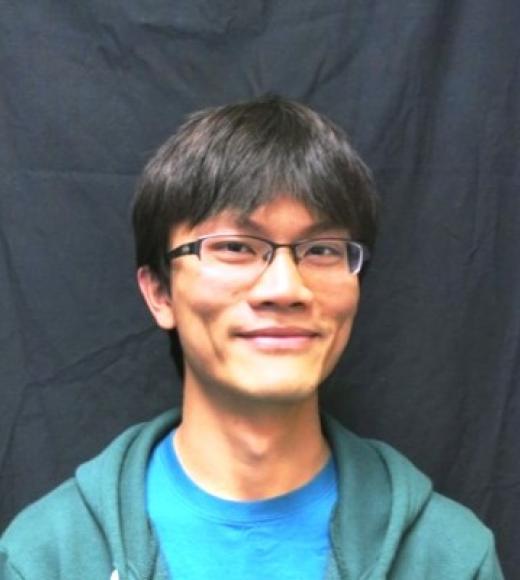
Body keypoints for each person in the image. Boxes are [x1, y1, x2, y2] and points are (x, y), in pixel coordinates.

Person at [0, 96, 503, 579]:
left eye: (323, 250)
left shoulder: (448, 557)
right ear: (160, 293)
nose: (285, 289)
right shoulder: (48, 556)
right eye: (235, 247)